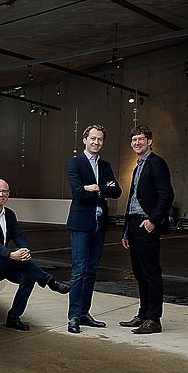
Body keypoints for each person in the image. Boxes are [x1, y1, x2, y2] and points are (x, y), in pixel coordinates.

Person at [0, 179, 70, 330]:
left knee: (29, 278)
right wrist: (11, 255)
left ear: (8, 195)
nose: (0, 194)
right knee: (11, 256)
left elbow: (18, 236)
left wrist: (24, 249)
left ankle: (13, 318)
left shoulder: (10, 214)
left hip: (4, 263)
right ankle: (50, 282)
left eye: (4, 191)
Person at [65, 124, 122, 334]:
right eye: (93, 138)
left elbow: (117, 191)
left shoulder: (105, 165)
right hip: (81, 224)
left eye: (100, 139)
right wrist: (101, 190)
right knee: (79, 270)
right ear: (84, 140)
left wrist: (97, 187)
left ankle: (84, 313)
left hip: (99, 225)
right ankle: (73, 316)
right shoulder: (75, 163)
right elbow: (79, 193)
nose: (96, 142)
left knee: (91, 270)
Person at [119, 125, 174, 334]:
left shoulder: (157, 164)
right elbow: (132, 200)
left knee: (151, 273)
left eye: (141, 139)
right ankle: (143, 314)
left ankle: (154, 319)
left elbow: (166, 196)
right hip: (134, 224)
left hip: (146, 224)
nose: (137, 143)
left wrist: (153, 221)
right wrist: (126, 230)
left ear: (149, 141)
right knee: (139, 273)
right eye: (134, 140)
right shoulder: (138, 166)